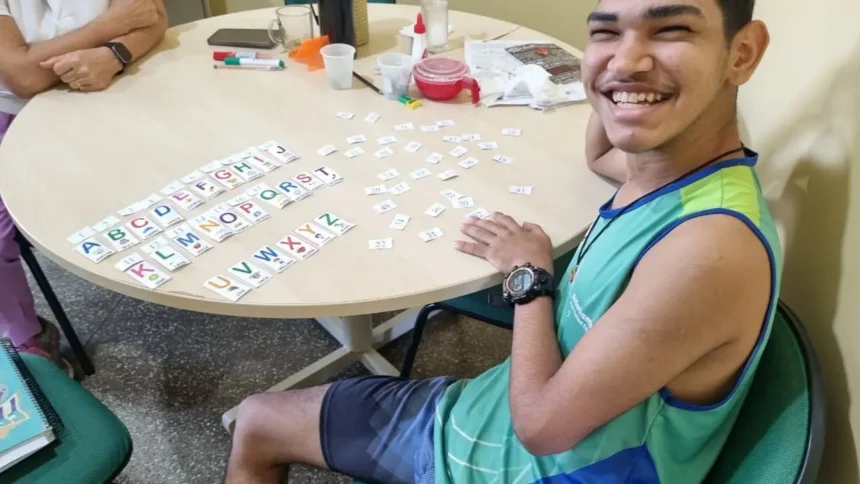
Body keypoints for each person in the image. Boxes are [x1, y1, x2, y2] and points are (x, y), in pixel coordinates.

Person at [226, 0, 779, 482]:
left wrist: (529, 277)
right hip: (493, 410)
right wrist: (617, 86)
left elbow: (540, 427)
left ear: (743, 53)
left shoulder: (709, 249)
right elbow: (601, 157)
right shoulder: (674, 172)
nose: (630, 56)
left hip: (523, 463)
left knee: (256, 421)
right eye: (606, 32)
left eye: (672, 30)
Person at [0, 0, 167, 372]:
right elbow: (22, 77)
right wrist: (112, 26)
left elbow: (154, 20)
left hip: (112, 92)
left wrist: (115, 54)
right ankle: (25, 332)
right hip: (12, 113)